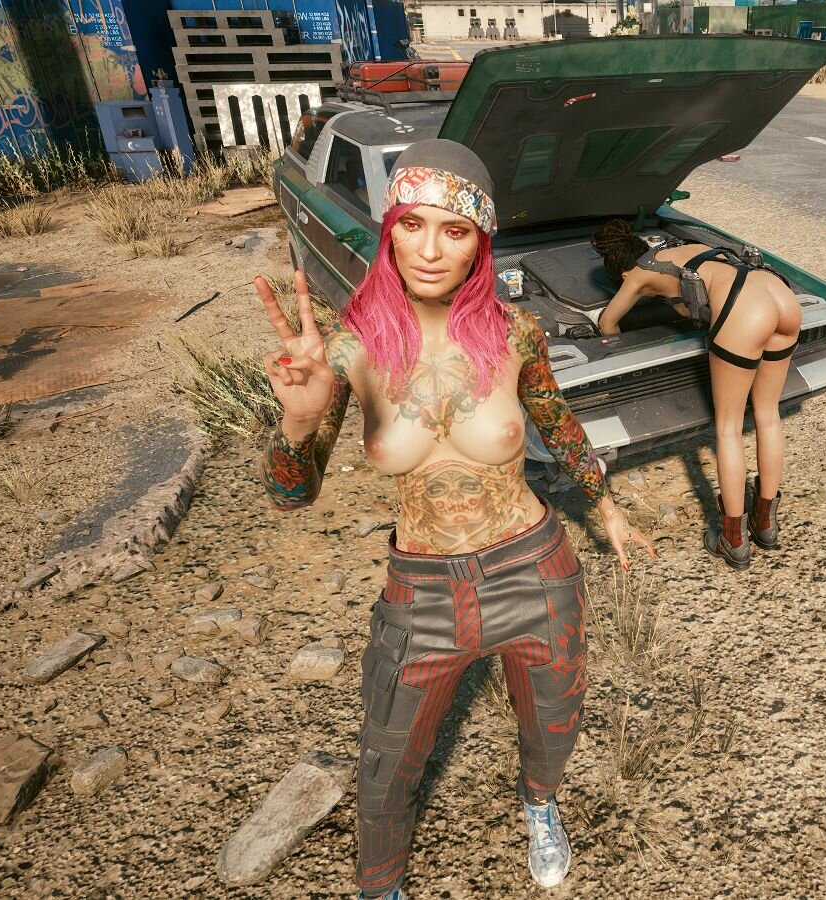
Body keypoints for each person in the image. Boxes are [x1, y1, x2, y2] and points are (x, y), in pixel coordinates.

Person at [258, 140, 656, 900]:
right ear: (390, 230)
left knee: (553, 721)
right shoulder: (351, 349)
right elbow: (290, 497)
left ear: (481, 242)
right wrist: (299, 424)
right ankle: (382, 885)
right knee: (386, 759)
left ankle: (539, 805)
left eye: (455, 229)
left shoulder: (515, 333)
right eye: (412, 225)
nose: (431, 250)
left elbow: (556, 419)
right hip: (424, 592)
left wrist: (604, 505)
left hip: (534, 568)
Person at [590, 220, 801, 569]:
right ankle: (766, 525)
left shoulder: (638, 274)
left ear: (623, 273)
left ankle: (734, 541)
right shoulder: (677, 249)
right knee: (768, 414)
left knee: (729, 428)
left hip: (745, 309)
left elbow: (608, 322)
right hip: (779, 294)